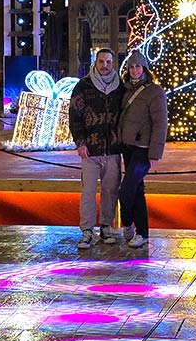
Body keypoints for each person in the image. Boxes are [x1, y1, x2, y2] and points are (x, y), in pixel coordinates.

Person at [68, 48, 123, 250]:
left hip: (114, 149)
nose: (105, 65)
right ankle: (87, 231)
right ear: (95, 63)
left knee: (110, 190)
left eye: (108, 62)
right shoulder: (83, 85)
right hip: (90, 149)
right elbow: (74, 115)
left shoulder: (120, 87)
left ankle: (106, 227)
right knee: (88, 191)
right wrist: (80, 142)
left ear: (113, 64)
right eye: (101, 61)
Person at [117, 50, 168, 249]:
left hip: (143, 149)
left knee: (126, 190)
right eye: (131, 66)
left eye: (138, 66)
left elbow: (160, 123)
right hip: (128, 147)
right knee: (137, 190)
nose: (135, 70)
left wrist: (155, 153)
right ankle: (142, 232)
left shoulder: (154, 91)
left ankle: (128, 224)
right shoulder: (126, 89)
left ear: (144, 68)